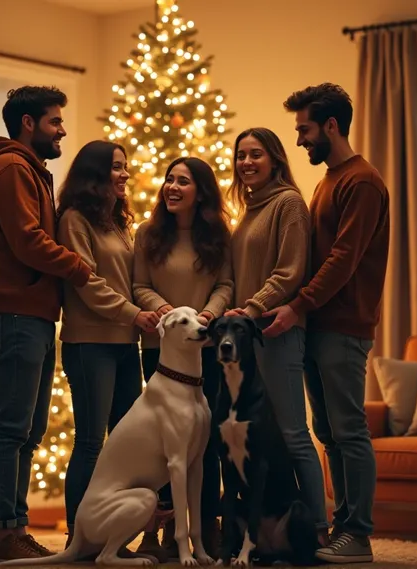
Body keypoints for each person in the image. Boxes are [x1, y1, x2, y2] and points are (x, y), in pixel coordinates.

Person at [263, 83, 390, 564]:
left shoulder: (362, 182)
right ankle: (343, 529)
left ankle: (357, 534)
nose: (299, 140)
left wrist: (298, 306)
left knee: (349, 430)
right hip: (318, 324)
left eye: (305, 130)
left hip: (343, 325)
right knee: (330, 434)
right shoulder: (329, 181)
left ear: (331, 126)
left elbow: (343, 259)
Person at [0, 86, 92, 563]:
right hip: (15, 315)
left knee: (28, 429)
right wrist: (82, 267)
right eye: (54, 121)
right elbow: (27, 241)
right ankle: (1, 536)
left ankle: (13, 529)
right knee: (10, 430)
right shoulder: (14, 169)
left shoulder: (28, 170)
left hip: (33, 315)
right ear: (27, 122)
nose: (62, 129)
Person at [224, 127, 330, 544]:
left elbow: (291, 271)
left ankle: (318, 529)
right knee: (263, 436)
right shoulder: (249, 210)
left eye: (255, 155)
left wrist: (250, 310)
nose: (246, 162)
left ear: (275, 159)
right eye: (241, 155)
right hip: (251, 337)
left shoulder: (288, 204)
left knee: (293, 433)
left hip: (278, 332)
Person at [56, 140, 160, 547]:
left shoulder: (117, 223)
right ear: (95, 173)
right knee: (90, 442)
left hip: (124, 344)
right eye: (116, 167)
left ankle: (114, 536)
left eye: (125, 167)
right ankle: (76, 539)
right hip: (90, 344)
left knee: (123, 443)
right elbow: (87, 283)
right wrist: (133, 314)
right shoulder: (74, 220)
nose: (124, 174)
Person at [132, 156, 233, 561]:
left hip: (206, 350)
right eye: (169, 180)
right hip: (160, 351)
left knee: (204, 446)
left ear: (201, 192)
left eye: (183, 182)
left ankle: (204, 527)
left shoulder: (219, 237)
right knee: (161, 446)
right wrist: (165, 309)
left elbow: (226, 284)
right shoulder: (148, 234)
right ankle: (156, 531)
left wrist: (207, 314)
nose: (172, 187)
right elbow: (138, 285)